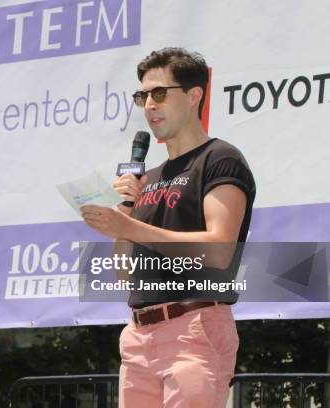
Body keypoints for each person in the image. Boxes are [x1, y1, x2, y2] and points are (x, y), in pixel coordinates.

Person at [81, 48, 256, 407]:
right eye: (142, 96)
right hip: (138, 335)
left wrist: (133, 227)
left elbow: (220, 250)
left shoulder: (219, 158)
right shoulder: (151, 177)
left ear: (194, 96)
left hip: (194, 326)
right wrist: (124, 218)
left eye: (160, 93)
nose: (149, 105)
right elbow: (125, 274)